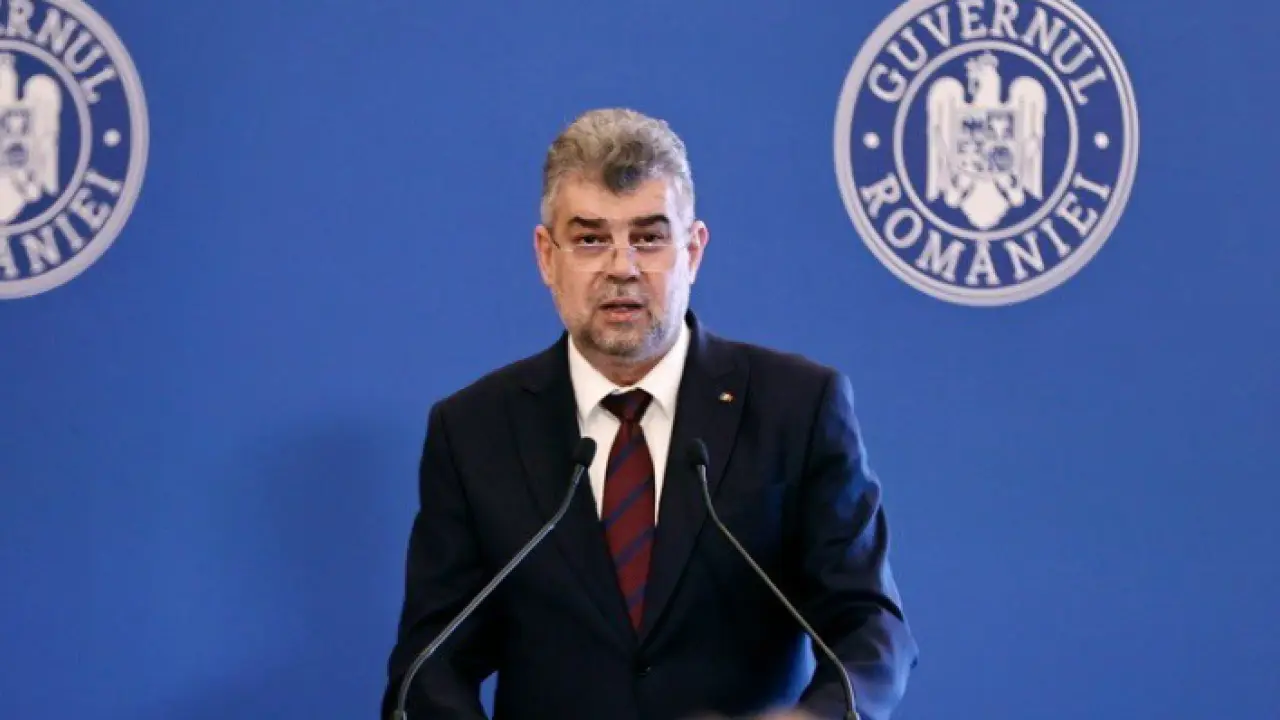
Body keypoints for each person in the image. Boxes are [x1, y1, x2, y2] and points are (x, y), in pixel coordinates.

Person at [382, 108, 918, 720]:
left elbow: (869, 624)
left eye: (648, 238)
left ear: (693, 250)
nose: (622, 267)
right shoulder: (474, 430)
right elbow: (430, 666)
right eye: (590, 239)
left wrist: (817, 719)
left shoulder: (796, 407)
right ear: (546, 257)